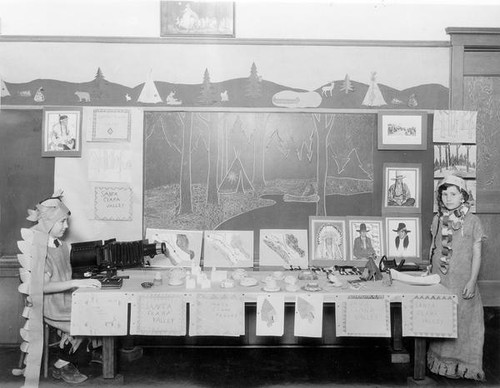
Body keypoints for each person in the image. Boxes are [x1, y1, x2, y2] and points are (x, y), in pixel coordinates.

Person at [24, 190, 101, 384]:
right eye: (62, 222)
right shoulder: (40, 251)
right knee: (87, 317)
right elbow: (43, 287)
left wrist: (83, 278)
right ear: (48, 223)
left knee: (97, 309)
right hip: (51, 303)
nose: (66, 226)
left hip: (65, 298)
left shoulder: (61, 245)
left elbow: (65, 274)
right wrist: (76, 283)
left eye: (66, 221)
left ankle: (81, 352)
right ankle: (61, 363)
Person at [427, 174, 485, 381]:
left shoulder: (472, 221)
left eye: (453, 194)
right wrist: (429, 271)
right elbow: (434, 247)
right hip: (441, 279)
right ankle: (442, 364)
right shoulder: (437, 219)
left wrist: (472, 280)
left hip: (462, 281)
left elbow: (477, 253)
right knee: (442, 318)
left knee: (464, 320)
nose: (448, 198)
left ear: (463, 196)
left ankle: (464, 364)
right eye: (444, 194)